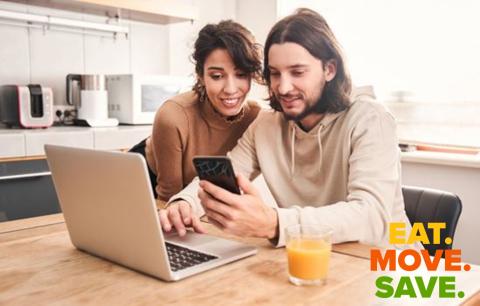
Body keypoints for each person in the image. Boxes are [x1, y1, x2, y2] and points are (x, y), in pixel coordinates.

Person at [160, 8, 411, 248]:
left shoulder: (369, 119)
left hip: (386, 267)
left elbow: (370, 217)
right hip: (314, 258)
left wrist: (274, 223)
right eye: (275, 74)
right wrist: (184, 203)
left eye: (297, 72)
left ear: (329, 69)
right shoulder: (266, 125)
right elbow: (221, 175)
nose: (283, 87)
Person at [130, 20, 263, 204]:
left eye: (241, 75)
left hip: (195, 194)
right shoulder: (174, 115)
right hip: (145, 179)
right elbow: (168, 197)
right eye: (217, 76)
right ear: (201, 76)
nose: (231, 89)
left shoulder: (256, 117)